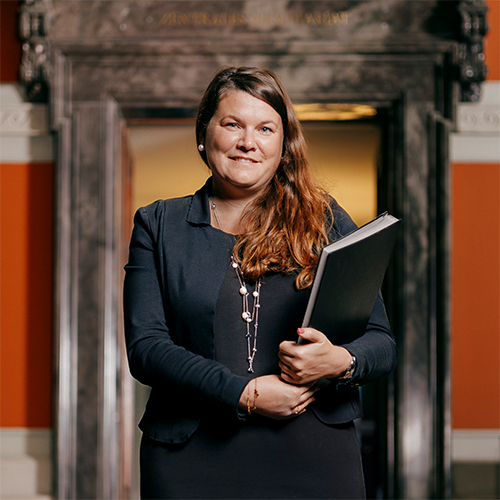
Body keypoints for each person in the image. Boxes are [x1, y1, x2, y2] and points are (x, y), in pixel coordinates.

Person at [123, 66, 398, 499]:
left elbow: (381, 343)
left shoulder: (325, 220)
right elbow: (146, 349)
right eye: (232, 124)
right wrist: (244, 393)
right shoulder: (158, 224)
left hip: (315, 457)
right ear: (204, 133)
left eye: (265, 128)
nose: (248, 142)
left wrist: (339, 361)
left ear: (283, 144)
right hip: (190, 461)